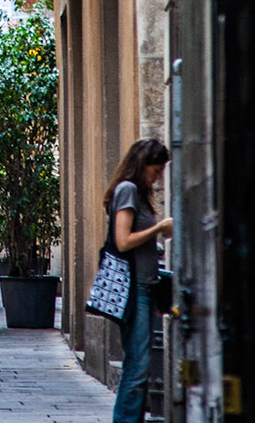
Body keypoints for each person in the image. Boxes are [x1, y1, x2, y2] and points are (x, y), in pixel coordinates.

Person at [105, 138, 173, 423]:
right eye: (156, 170)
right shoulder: (128, 190)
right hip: (134, 289)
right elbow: (123, 241)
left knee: (139, 364)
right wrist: (159, 228)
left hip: (144, 286)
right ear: (142, 165)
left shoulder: (136, 192)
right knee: (137, 365)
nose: (159, 177)